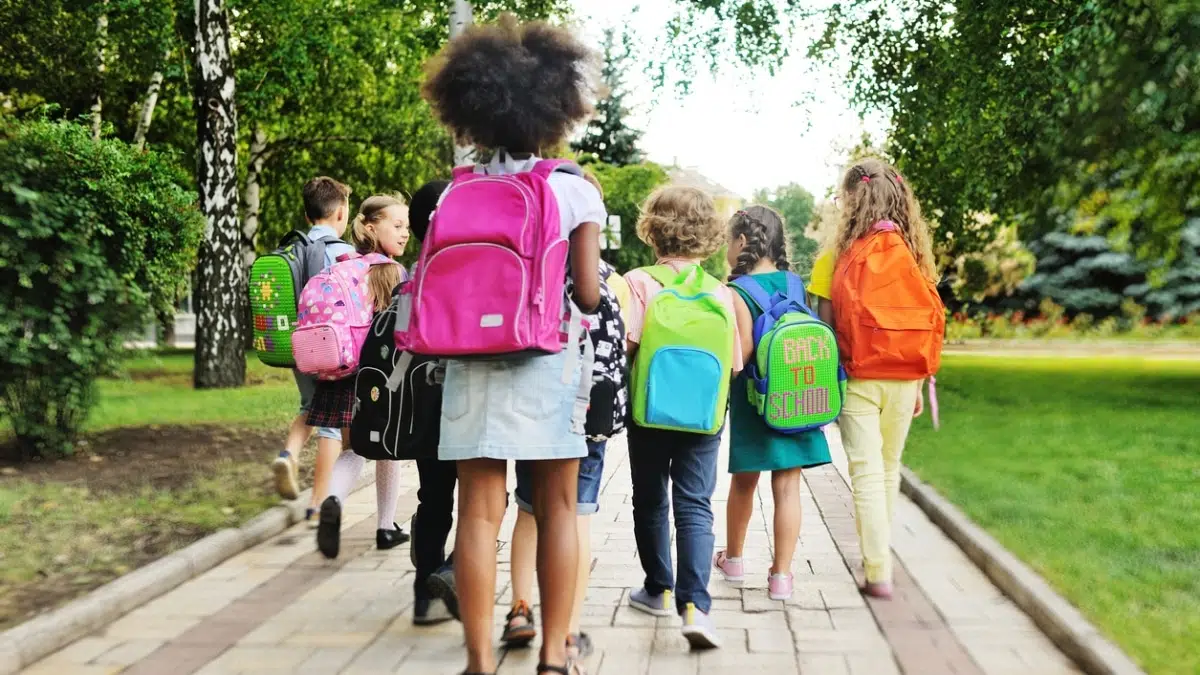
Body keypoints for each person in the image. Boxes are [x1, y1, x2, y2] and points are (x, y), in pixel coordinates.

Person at [421, 16, 604, 675]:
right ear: (555, 109)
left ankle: (477, 660)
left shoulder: (454, 192)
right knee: (555, 505)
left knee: (477, 509)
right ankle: (555, 655)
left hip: (470, 358)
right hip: (546, 358)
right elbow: (586, 294)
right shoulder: (573, 188)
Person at [621, 186, 744, 649]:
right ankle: (696, 605)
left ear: (653, 229)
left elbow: (627, 348)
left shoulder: (638, 282)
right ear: (708, 234)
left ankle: (657, 588)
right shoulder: (719, 293)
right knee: (694, 504)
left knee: (650, 498)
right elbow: (732, 365)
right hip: (702, 419)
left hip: (648, 413)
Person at [826, 158, 941, 598]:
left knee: (866, 473)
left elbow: (830, 322)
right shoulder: (913, 254)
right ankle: (878, 556)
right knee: (889, 469)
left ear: (852, 201)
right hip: (906, 375)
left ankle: (877, 569)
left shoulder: (842, 256)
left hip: (860, 375)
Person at [712, 206, 832, 601]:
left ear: (742, 242)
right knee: (787, 488)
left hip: (755, 397)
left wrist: (720, 374)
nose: (727, 249)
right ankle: (781, 576)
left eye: (729, 241)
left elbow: (742, 353)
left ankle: (733, 560)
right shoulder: (795, 283)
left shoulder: (737, 291)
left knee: (744, 483)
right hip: (797, 393)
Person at [312, 195, 412, 559]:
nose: (404, 234)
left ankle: (333, 500)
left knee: (354, 448)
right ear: (370, 226)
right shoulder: (390, 271)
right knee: (389, 449)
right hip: (377, 377)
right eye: (396, 225)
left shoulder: (341, 265)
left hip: (339, 369)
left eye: (406, 227)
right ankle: (385, 527)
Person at [272, 177, 358, 523]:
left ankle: (288, 455)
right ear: (340, 213)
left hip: (297, 343)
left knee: (309, 406)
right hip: (330, 347)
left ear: (308, 216)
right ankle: (317, 502)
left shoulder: (291, 248)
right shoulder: (342, 253)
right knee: (331, 423)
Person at [405, 179, 459, 626]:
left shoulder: (415, 273)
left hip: (424, 400)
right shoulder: (469, 265)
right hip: (468, 397)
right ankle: (455, 569)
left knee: (433, 499)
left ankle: (425, 594)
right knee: (485, 499)